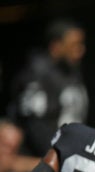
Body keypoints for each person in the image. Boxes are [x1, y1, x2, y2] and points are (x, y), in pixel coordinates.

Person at [7, 18, 88, 157]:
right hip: (42, 160)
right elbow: (33, 124)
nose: (80, 50)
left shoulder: (71, 72)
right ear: (56, 46)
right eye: (74, 45)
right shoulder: (37, 75)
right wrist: (57, 154)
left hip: (68, 152)